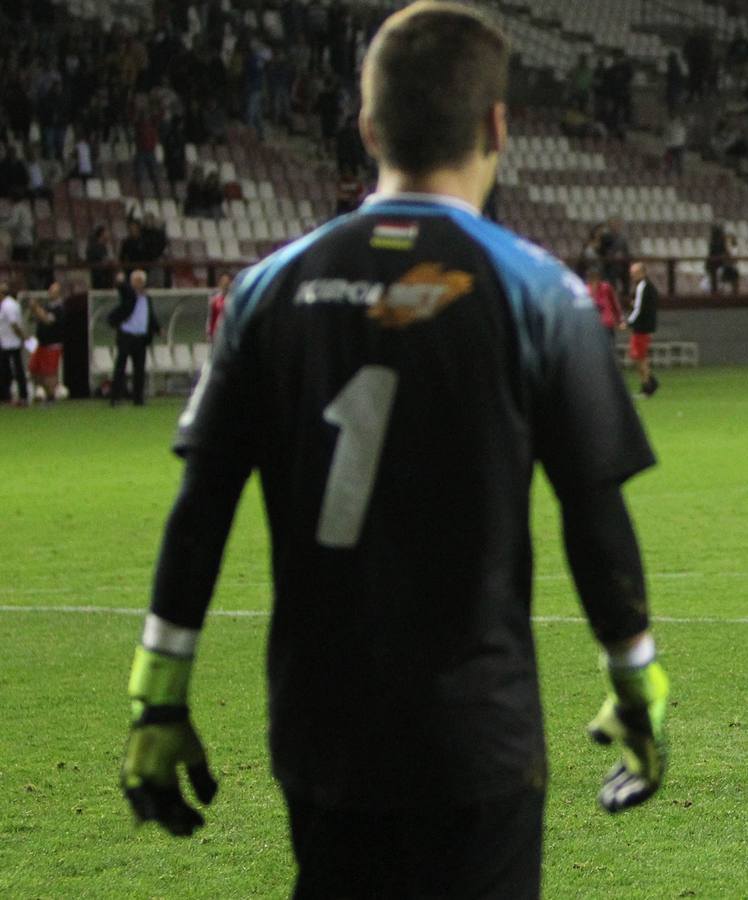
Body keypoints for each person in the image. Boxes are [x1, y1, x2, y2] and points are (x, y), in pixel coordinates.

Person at [117, 6, 669, 898]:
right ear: (497, 126)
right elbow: (592, 511)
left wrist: (158, 694)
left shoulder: (266, 289)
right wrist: (634, 678)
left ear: (369, 130)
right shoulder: (543, 292)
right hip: (476, 733)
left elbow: (201, 507)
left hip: (320, 730)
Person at [107, 268, 160, 406]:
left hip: (141, 337)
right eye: (136, 281)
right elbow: (122, 288)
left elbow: (151, 316)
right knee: (121, 367)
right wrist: (120, 280)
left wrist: (157, 329)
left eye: (140, 281)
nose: (138, 284)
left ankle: (138, 398)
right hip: (126, 335)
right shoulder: (129, 296)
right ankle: (115, 397)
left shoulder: (147, 298)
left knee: (139, 369)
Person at [26, 282, 65, 404]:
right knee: (34, 370)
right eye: (50, 289)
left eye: (53, 290)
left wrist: (36, 308)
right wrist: (34, 310)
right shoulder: (48, 306)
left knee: (49, 373)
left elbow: (48, 320)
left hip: (52, 344)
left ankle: (51, 397)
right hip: (41, 343)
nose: (50, 292)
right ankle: (43, 392)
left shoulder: (60, 308)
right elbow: (34, 318)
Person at [625, 260, 659, 396]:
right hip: (646, 326)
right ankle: (651, 381)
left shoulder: (642, 286)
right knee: (638, 356)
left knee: (639, 357)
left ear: (643, 273)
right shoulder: (649, 287)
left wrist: (628, 322)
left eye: (635, 273)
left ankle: (647, 387)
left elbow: (639, 309)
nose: (633, 275)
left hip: (642, 327)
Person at [0, 281, 27, 406]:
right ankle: (6, 395)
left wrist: (23, 337)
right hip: (5, 342)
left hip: (11, 343)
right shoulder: (4, 305)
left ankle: (22, 396)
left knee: (15, 370)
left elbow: (14, 324)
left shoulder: (8, 305)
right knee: (6, 371)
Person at [206, 271, 232, 343]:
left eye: (227, 282)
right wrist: (209, 332)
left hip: (228, 333)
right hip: (216, 333)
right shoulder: (215, 299)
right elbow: (211, 317)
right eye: (223, 282)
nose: (226, 284)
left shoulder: (232, 299)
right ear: (220, 283)